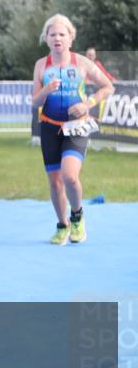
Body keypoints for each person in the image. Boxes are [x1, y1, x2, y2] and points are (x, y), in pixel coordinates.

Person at [31, 15, 114, 245]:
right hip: (49, 127)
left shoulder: (82, 63)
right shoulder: (41, 65)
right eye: (52, 34)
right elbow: (35, 102)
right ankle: (62, 225)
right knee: (55, 182)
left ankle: (77, 216)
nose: (57, 38)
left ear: (70, 38)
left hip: (76, 127)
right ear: (46, 39)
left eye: (62, 34)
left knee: (69, 176)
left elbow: (108, 87)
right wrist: (46, 90)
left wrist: (87, 104)